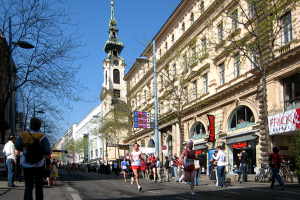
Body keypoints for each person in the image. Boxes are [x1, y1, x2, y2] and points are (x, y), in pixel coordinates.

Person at [15, 117, 51, 200]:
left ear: (30, 125)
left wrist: (24, 149)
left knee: (28, 186)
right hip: (39, 165)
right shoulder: (42, 136)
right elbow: (47, 151)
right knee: (39, 187)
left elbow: (17, 146)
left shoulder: (23, 135)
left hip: (26, 164)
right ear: (39, 126)